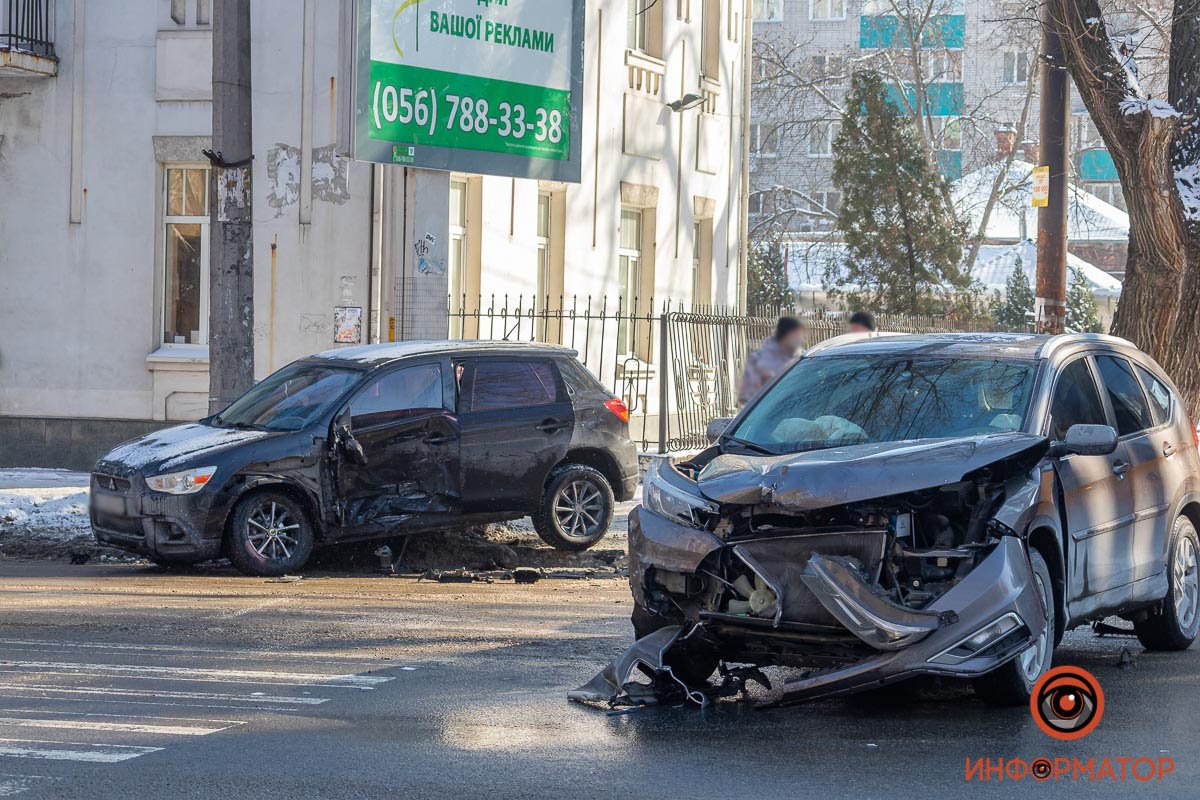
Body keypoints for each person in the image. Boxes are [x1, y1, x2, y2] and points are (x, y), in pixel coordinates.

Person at [739, 317, 805, 406]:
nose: (799, 339)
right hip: (767, 413)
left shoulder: (804, 358)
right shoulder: (758, 359)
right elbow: (746, 397)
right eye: (795, 335)